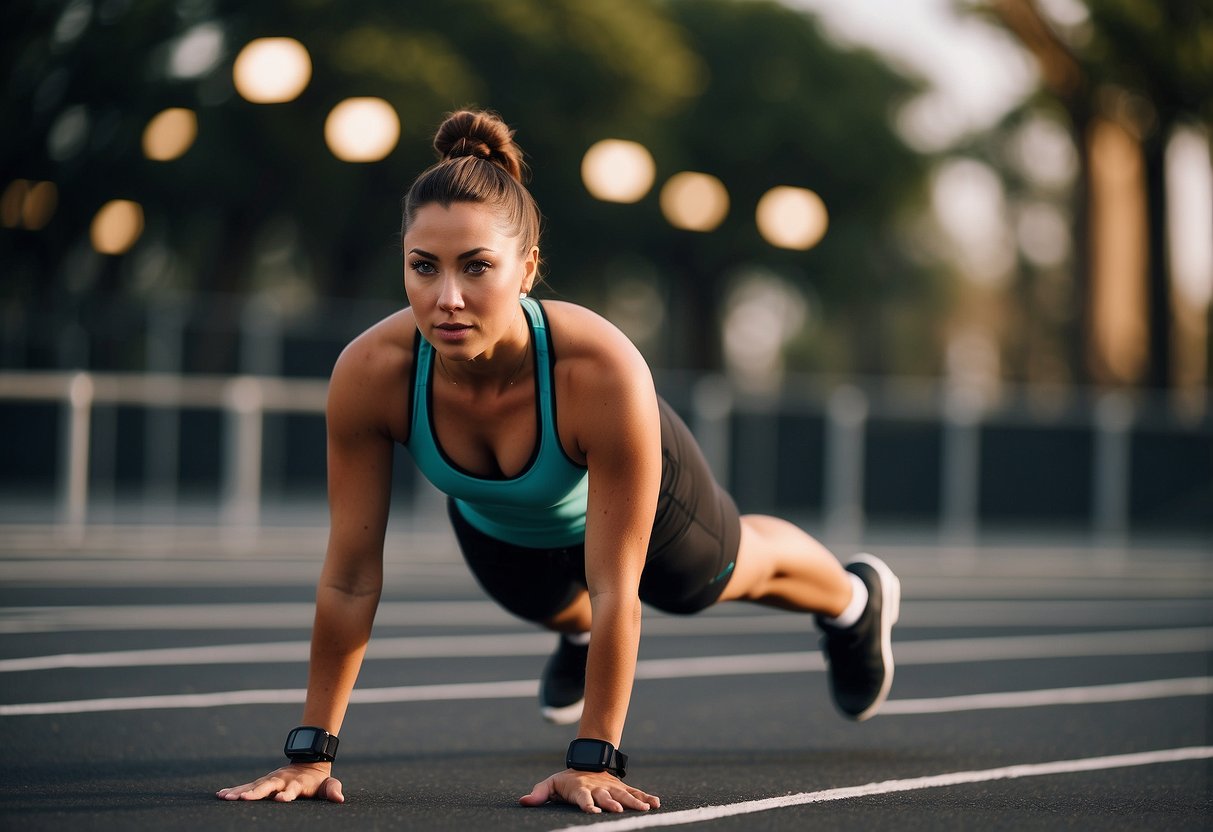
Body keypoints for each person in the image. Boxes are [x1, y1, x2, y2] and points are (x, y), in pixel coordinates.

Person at [216, 109, 900, 815]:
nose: (445, 297)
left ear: (527, 269)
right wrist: (310, 751)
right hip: (503, 522)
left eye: (476, 267)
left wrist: (592, 759)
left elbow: (616, 587)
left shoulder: (597, 369)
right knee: (546, 605)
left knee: (704, 581)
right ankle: (573, 635)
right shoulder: (370, 371)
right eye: (423, 267)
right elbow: (352, 576)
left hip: (639, 503)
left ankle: (854, 602)